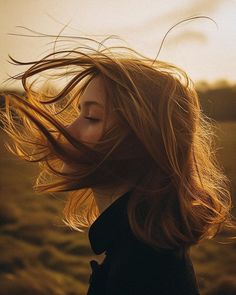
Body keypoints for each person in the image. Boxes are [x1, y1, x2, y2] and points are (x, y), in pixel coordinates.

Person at [0, 33, 235, 295]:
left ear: (144, 141)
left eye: (91, 117)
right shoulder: (141, 251)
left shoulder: (143, 273)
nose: (68, 129)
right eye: (80, 112)